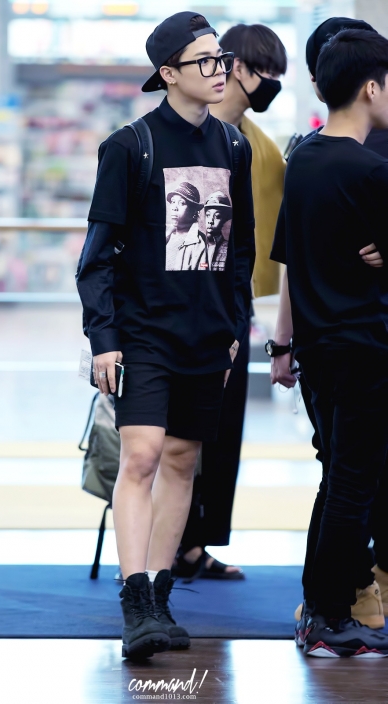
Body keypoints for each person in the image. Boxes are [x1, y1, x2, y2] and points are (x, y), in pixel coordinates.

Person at [76, 11, 255, 660]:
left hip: (208, 336)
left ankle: (158, 597)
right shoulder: (130, 147)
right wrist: (104, 338)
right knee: (143, 456)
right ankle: (134, 604)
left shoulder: (233, 146)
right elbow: (97, 256)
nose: (220, 70)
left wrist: (235, 328)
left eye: (222, 58)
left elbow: (240, 251)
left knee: (182, 461)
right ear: (169, 73)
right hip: (143, 334)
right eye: (205, 60)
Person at [270, 28, 388, 658]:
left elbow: (290, 255)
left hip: (319, 350)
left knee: (337, 481)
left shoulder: (306, 158)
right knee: (353, 488)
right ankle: (330, 616)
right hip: (366, 349)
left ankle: (319, 610)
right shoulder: (372, 171)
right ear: (370, 87)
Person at [173, 22, 286, 582]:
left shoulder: (259, 146)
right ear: (235, 66)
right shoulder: (190, 132)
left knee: (222, 431)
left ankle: (196, 543)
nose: (273, 85)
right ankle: (159, 548)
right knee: (172, 437)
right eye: (266, 73)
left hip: (233, 304)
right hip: (179, 303)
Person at [165, 182, 206, 271]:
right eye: (173, 202)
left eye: (181, 203)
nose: (174, 208)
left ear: (193, 211)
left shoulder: (200, 245)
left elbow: (202, 275)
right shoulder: (165, 235)